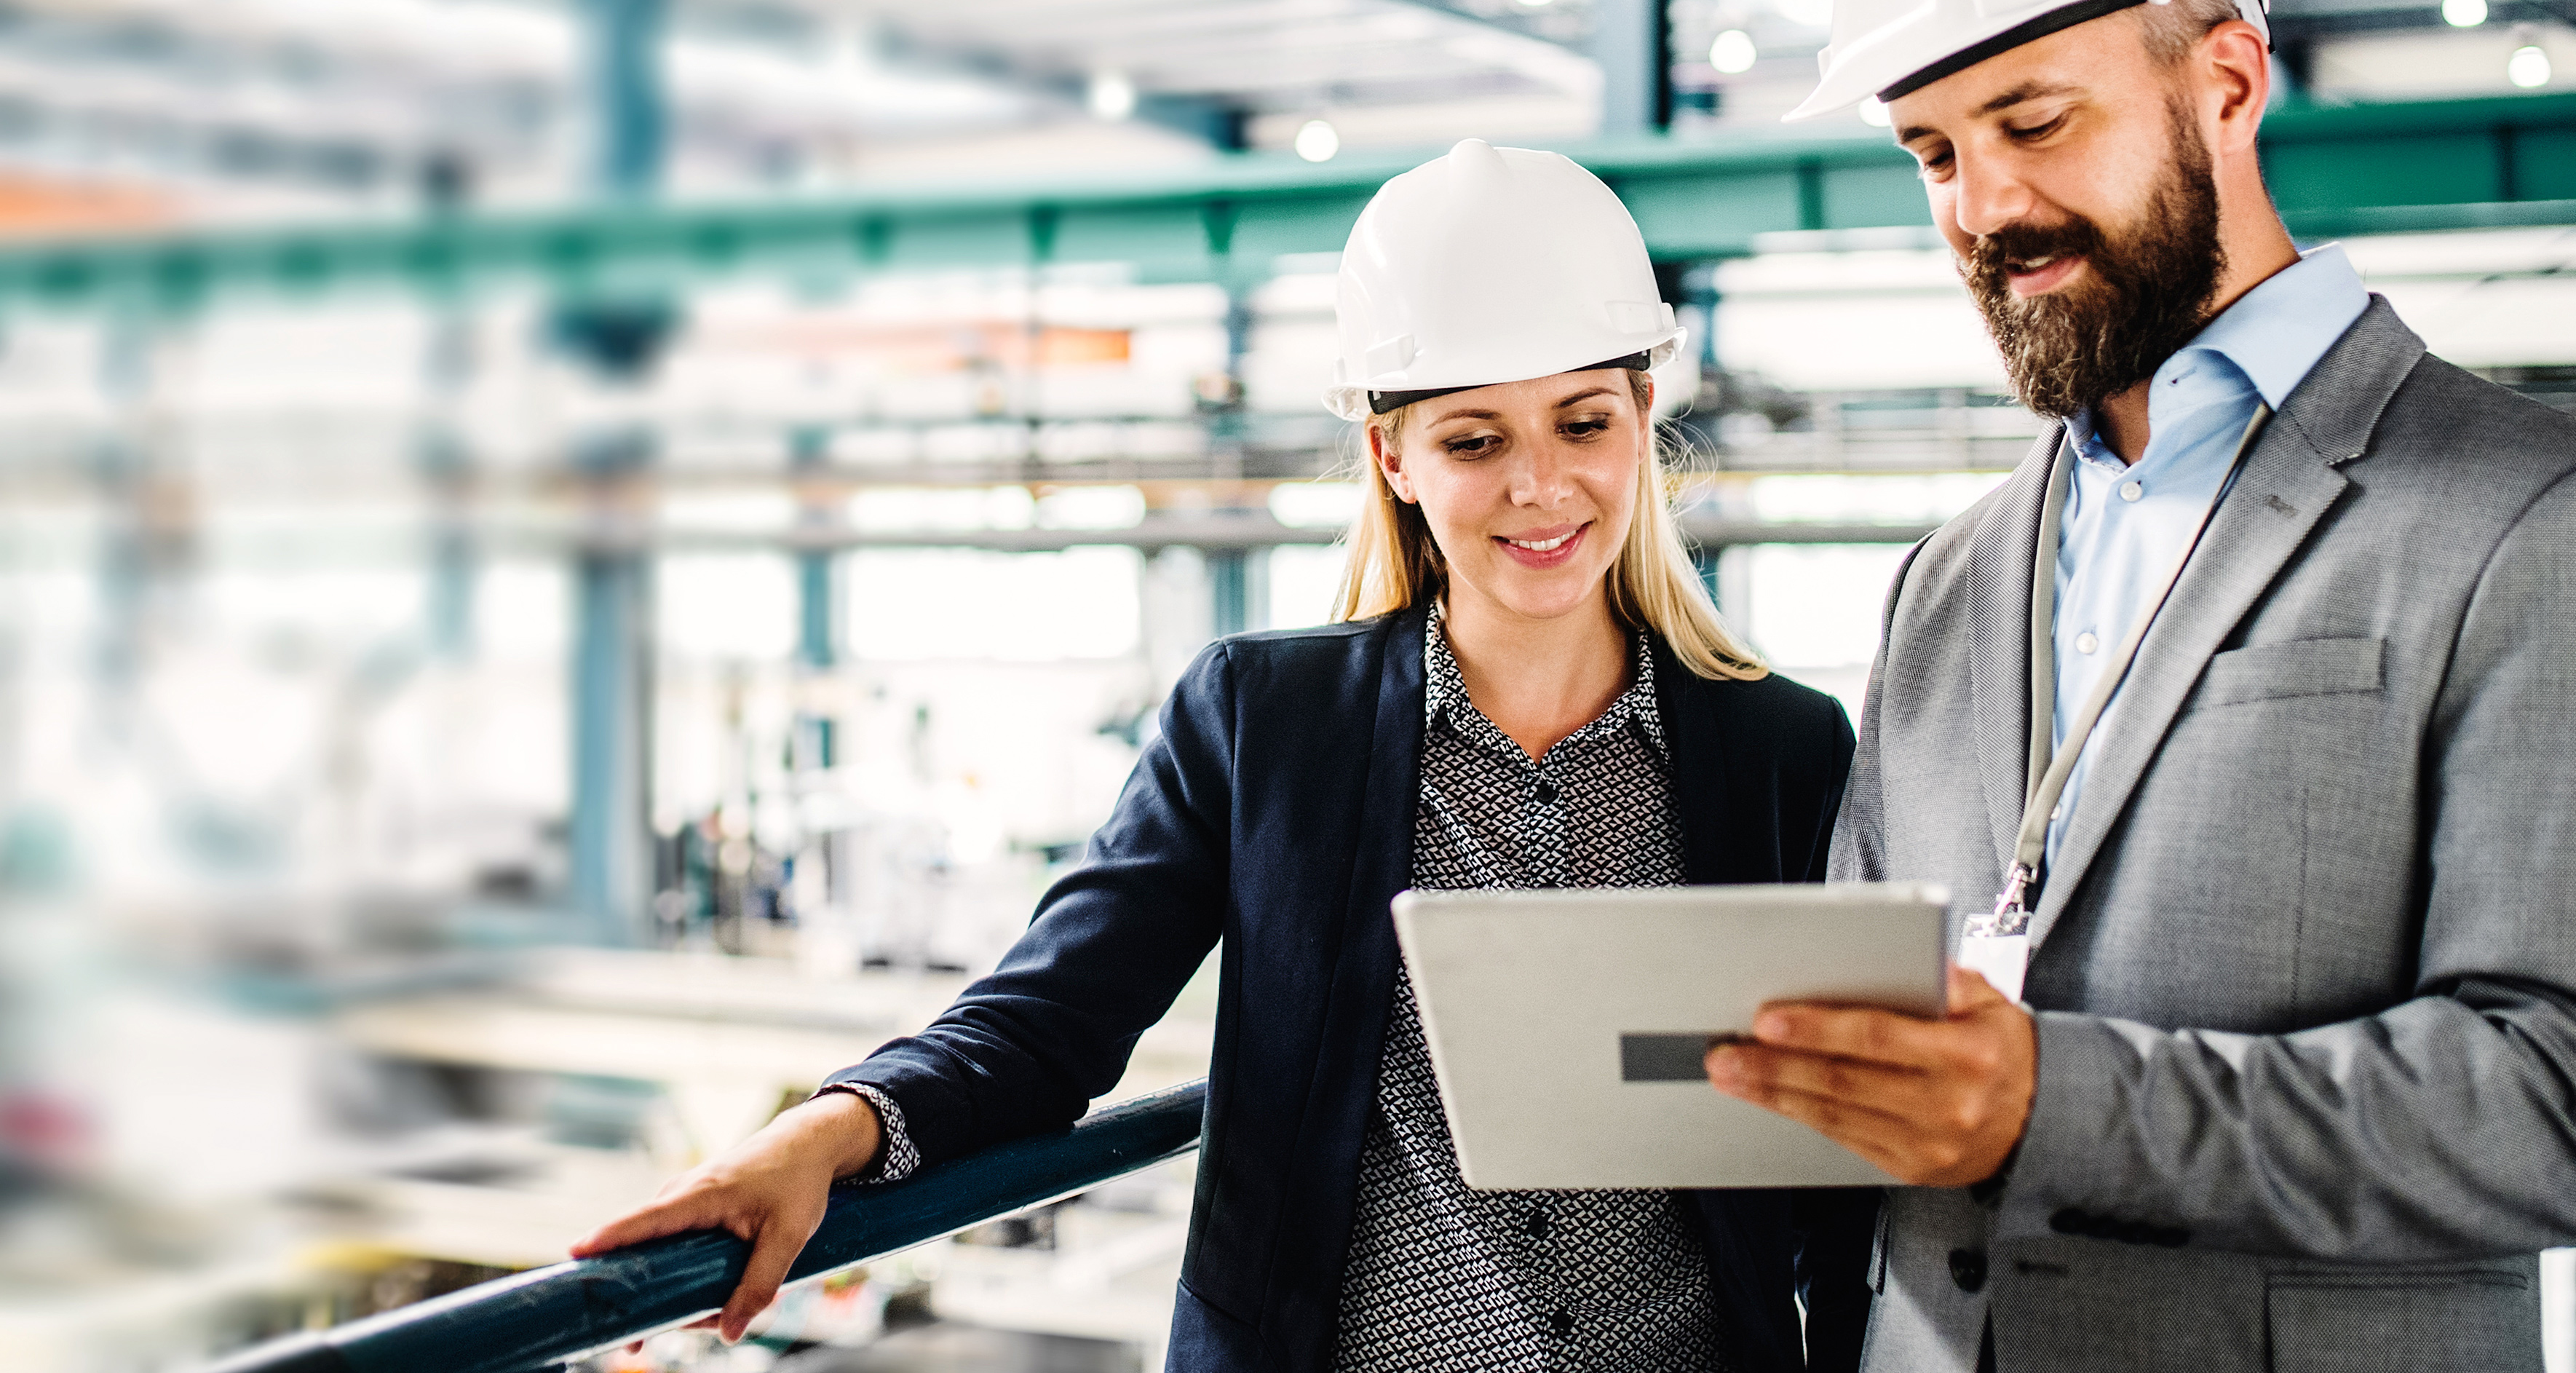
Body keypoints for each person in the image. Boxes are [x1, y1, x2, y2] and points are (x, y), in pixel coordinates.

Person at [574, 140, 1875, 1370]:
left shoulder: (1779, 750)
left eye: (1582, 423)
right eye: (1475, 439)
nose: (1541, 485)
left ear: (1642, 419)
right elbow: (1053, 1015)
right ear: (1394, 457)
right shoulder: (1265, 724)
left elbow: (1831, 1126)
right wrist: (826, 1128)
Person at [1697, 0, 2576, 1371]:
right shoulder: (1946, 582)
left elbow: (2573, 1110)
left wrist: (2057, 1101)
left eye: (2034, 124)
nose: (1986, 207)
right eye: (1932, 154)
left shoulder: (2546, 522)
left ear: (2230, 83)